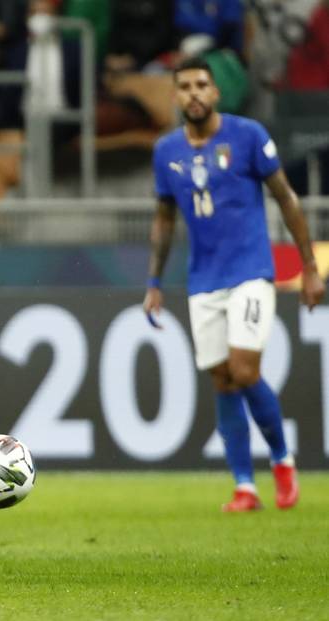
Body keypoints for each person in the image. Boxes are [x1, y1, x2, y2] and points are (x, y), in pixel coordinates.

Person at [143, 56, 325, 513]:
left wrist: (309, 268)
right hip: (203, 278)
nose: (194, 93)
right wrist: (154, 280)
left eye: (202, 84)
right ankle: (245, 485)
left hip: (250, 271)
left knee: (244, 370)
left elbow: (286, 198)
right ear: (175, 96)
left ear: (216, 91)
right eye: (184, 86)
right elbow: (165, 218)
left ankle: (282, 461)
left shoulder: (247, 136)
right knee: (223, 380)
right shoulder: (167, 151)